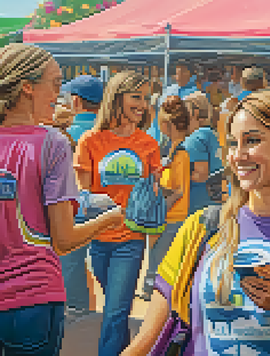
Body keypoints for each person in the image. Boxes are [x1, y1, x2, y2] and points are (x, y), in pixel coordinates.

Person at [123, 91, 270, 356]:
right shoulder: (201, 227)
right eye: (233, 144)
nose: (238, 155)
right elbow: (147, 341)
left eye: (252, 141)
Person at [0, 43, 123, 356]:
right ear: (27, 87)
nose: (60, 95)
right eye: (55, 83)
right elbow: (64, 239)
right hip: (32, 299)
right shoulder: (52, 144)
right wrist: (109, 219)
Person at [73, 71, 161, 356]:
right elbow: (81, 195)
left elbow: (154, 194)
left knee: (114, 312)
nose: (143, 104)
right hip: (97, 238)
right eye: (136, 97)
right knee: (117, 310)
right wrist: (105, 208)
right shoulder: (90, 141)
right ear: (116, 97)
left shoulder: (148, 144)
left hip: (131, 240)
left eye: (145, 99)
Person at [59, 74, 105, 320]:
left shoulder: (63, 134)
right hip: (110, 209)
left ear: (76, 101)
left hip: (74, 207)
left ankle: (78, 310)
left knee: (72, 262)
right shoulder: (109, 132)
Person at [140, 96, 193, 301]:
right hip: (169, 216)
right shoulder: (172, 149)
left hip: (171, 217)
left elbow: (178, 190)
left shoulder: (181, 153)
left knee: (160, 264)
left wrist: (159, 208)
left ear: (166, 124)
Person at [182, 92, 224, 215]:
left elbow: (201, 175)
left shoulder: (195, 139)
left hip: (199, 208)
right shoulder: (211, 134)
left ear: (194, 112)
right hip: (214, 204)